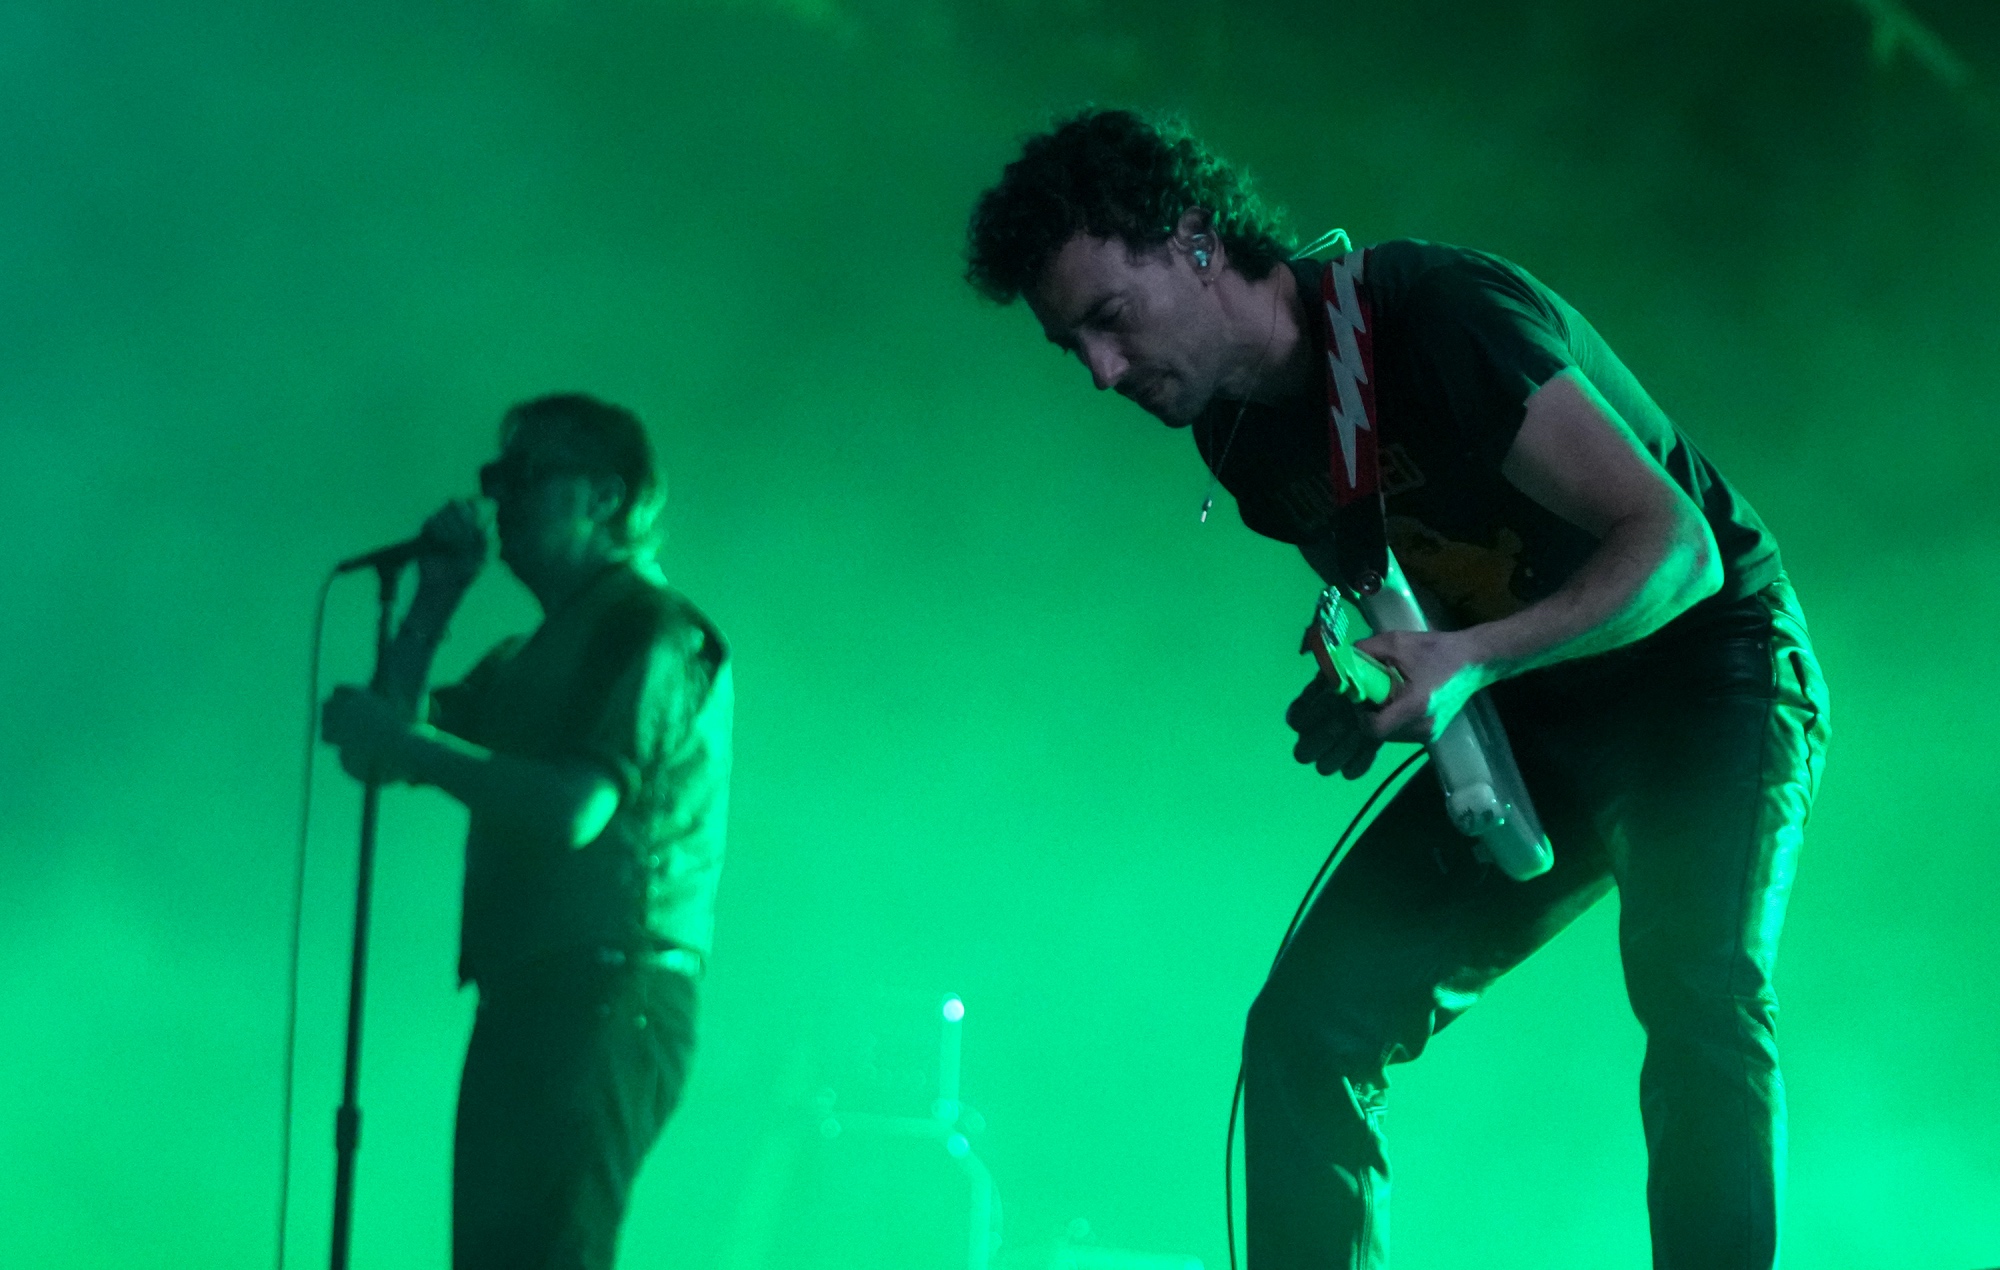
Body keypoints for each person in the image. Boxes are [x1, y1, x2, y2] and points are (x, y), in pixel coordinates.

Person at [964, 109, 1828, 1270]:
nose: (1102, 372)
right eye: (1074, 348)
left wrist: (1471, 659)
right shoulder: (1236, 438)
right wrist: (1367, 694)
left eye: (1108, 321)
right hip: (1536, 697)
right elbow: (1414, 607)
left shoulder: (1436, 315)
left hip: (1702, 670)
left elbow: (1675, 549)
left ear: (1192, 240)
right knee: (1305, 1031)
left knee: (1697, 997)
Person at [319, 392, 732, 1270]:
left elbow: (575, 808)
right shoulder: (531, 656)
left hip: (611, 992)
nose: (502, 496)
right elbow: (381, 754)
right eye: (499, 477)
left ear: (608, 497)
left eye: (530, 475)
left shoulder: (647, 628)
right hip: (536, 990)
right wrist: (434, 602)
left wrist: (410, 746)